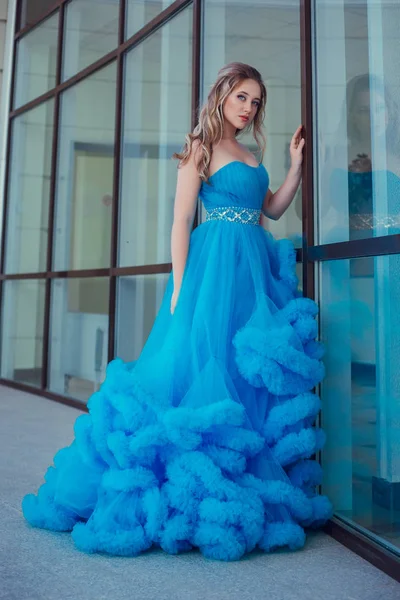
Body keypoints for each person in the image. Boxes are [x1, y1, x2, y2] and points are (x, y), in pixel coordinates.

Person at [22, 62, 332, 561]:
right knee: (195, 364)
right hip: (214, 270)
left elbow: (271, 210)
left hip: (253, 269)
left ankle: (245, 471)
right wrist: (181, 289)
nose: (248, 107)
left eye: (255, 101)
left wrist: (295, 165)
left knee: (242, 370)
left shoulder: (250, 152)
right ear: (223, 95)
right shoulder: (200, 147)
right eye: (242, 97)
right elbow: (181, 220)